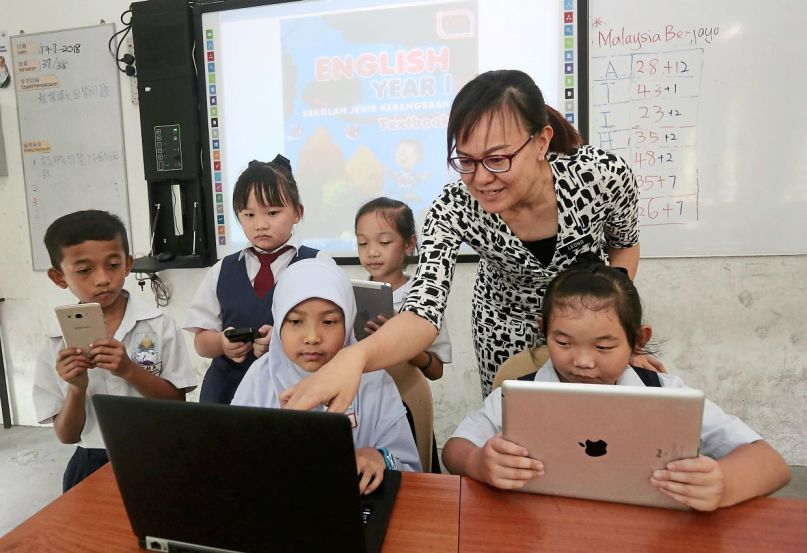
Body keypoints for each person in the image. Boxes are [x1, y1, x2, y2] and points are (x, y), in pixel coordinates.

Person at [281, 68, 648, 412]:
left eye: (497, 159)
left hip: (588, 321)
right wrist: (354, 357)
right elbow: (423, 311)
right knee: (514, 424)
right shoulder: (452, 207)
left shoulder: (600, 176)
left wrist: (613, 327)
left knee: (599, 421)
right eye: (467, 161)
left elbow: (624, 245)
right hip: (504, 322)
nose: (481, 178)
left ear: (541, 141)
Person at [441, 255, 791, 511]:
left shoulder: (666, 395)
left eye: (604, 346)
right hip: (540, 526)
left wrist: (722, 483)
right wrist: (478, 464)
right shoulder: (518, 395)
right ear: (543, 330)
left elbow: (771, 464)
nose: (582, 361)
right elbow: (455, 448)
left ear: (638, 341)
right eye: (563, 343)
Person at [33, 210, 196, 492]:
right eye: (84, 270)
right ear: (59, 277)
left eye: (112, 265)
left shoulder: (159, 325)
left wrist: (129, 371)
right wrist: (76, 388)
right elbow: (67, 435)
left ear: (128, 264)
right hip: (91, 460)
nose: (102, 279)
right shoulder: (55, 343)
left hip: (156, 455)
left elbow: (176, 403)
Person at [231, 258, 421, 494]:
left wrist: (379, 457)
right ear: (278, 321)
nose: (312, 337)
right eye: (296, 321)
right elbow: (233, 462)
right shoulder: (260, 379)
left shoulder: (374, 380)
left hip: (355, 503)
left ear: (349, 321)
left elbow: (411, 469)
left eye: (329, 321)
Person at [185, 155, 321, 404]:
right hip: (226, 394)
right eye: (248, 215)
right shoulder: (222, 269)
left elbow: (333, 331)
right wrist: (222, 343)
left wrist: (281, 344)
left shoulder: (317, 265)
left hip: (291, 392)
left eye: (272, 212)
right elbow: (201, 341)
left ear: (297, 212)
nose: (260, 224)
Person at [355, 197, 452, 381]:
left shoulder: (424, 298)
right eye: (363, 243)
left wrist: (401, 340)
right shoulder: (352, 294)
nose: (372, 252)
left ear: (409, 244)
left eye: (384, 242)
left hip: (406, 396)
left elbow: (436, 371)